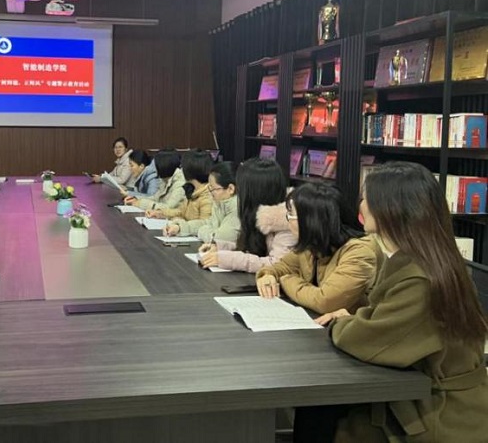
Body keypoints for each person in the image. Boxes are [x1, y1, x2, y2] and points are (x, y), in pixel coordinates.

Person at [302, 162, 488, 443]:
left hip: (439, 413)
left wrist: (342, 324)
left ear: (389, 208)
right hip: (434, 399)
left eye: (366, 197)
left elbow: (364, 339)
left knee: (318, 414)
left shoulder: (419, 279)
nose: (361, 204)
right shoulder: (428, 261)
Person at [255, 183, 381, 314]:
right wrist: (267, 276)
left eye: (291, 215)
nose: (288, 221)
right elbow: (282, 267)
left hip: (349, 325)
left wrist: (285, 280)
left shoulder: (359, 253)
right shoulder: (313, 245)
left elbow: (325, 302)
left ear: (311, 221)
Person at [198, 158, 293, 273]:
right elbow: (252, 250)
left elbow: (276, 264)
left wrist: (227, 259)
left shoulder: (289, 219)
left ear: (254, 193)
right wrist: (221, 248)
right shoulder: (257, 213)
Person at [165, 161, 240, 243]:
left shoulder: (237, 207)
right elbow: (208, 223)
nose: (210, 191)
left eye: (213, 188)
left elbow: (219, 238)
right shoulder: (220, 203)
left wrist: (201, 231)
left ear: (230, 189)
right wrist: (179, 227)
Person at [146, 150, 213, 222]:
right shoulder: (191, 190)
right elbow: (180, 212)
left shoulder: (207, 197)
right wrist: (160, 213)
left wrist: (179, 224)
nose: (181, 170)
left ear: (190, 170)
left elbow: (204, 225)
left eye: (183, 167)